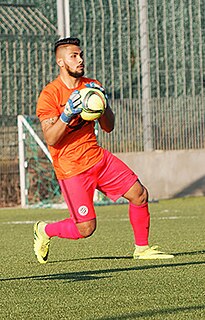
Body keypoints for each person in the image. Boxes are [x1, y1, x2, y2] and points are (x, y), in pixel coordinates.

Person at [34, 37, 174, 264]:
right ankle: (45, 230)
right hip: (72, 169)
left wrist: (103, 104)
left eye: (81, 55)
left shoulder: (90, 85)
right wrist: (67, 114)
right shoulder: (50, 95)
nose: (80, 60)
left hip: (98, 158)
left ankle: (142, 248)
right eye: (74, 56)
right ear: (61, 62)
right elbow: (51, 138)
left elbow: (109, 127)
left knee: (139, 194)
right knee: (86, 228)